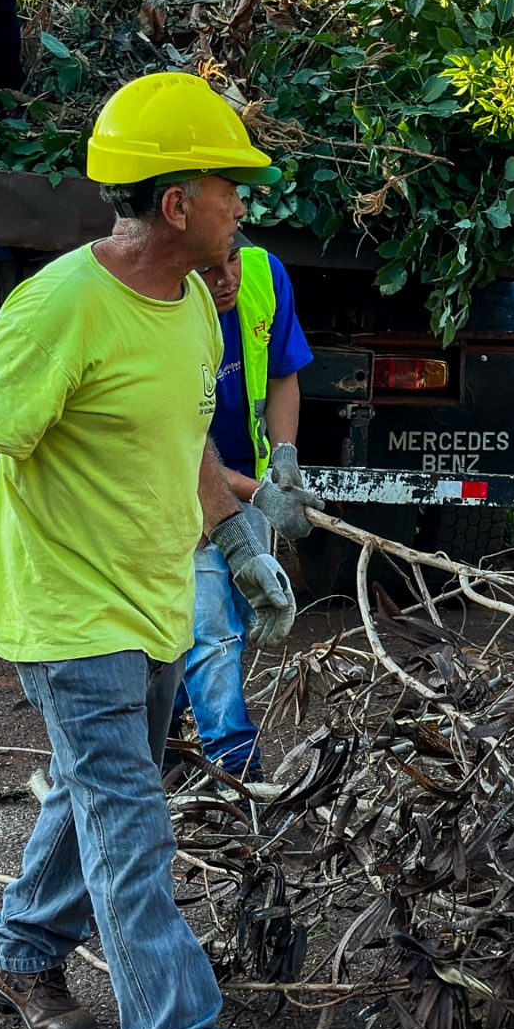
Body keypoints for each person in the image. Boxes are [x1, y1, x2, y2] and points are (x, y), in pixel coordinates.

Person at [0, 70, 317, 1029]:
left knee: (101, 789)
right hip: (68, 621)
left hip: (154, 604)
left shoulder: (193, 304)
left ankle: (21, 953)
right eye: (229, 185)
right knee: (134, 834)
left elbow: (181, 444)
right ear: (175, 200)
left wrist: (236, 547)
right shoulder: (59, 308)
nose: (243, 204)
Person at [178, 232, 322, 776]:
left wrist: (282, 455)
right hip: (181, 484)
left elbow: (283, 372)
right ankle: (234, 764)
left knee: (234, 615)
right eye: (210, 269)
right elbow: (183, 451)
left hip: (248, 478)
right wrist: (256, 492)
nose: (228, 278)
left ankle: (165, 737)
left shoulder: (264, 277)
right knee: (212, 627)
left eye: (232, 259)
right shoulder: (157, 307)